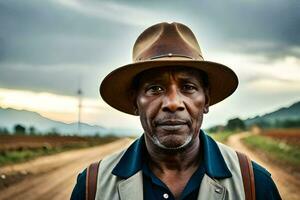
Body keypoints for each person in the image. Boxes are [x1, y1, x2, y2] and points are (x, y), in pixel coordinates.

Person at [71, 22, 281, 200]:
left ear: (206, 100)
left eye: (188, 87)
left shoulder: (253, 184)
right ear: (135, 102)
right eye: (155, 88)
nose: (173, 103)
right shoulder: (93, 187)